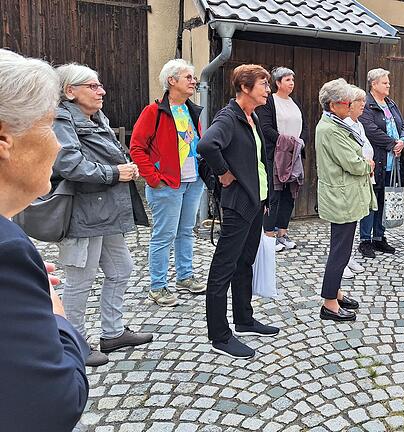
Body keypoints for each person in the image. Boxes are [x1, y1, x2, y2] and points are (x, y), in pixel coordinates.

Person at [0, 48, 89, 431]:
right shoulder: (8, 251)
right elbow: (54, 404)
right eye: (49, 124)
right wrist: (50, 307)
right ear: (4, 140)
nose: (56, 144)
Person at [52, 63, 154, 367]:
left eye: (99, 85)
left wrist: (123, 167)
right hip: (83, 213)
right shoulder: (61, 119)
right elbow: (68, 165)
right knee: (80, 281)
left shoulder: (95, 116)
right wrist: (115, 173)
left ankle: (112, 332)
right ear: (70, 91)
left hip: (106, 211)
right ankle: (74, 342)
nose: (101, 91)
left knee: (122, 268)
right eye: (92, 86)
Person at [197, 64, 279, 359]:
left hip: (256, 202)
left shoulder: (252, 116)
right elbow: (207, 145)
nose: (268, 90)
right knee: (223, 268)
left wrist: (264, 194)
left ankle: (244, 320)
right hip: (237, 205)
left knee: (245, 262)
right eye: (263, 85)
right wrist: (223, 173)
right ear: (245, 88)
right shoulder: (229, 117)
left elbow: (256, 159)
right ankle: (219, 335)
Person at [130, 59, 205, 307]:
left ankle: (184, 276)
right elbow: (137, 148)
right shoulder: (154, 111)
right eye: (188, 77)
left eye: (193, 77)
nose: (193, 81)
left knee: (186, 231)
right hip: (167, 184)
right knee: (164, 235)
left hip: (192, 182)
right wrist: (153, 178)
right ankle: (158, 286)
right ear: (172, 81)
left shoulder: (191, 110)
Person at [315, 79, 376, 321]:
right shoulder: (330, 129)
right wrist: (367, 164)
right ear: (333, 105)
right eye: (346, 102)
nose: (350, 105)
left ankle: (335, 292)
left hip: (345, 194)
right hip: (341, 197)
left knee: (342, 249)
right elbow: (352, 162)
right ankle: (329, 303)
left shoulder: (336, 124)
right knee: (339, 252)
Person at [256, 66, 309, 252]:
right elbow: (266, 127)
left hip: (294, 156)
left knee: (289, 195)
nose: (291, 83)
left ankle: (282, 233)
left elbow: (304, 126)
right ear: (277, 83)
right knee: (274, 195)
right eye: (287, 80)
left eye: (292, 80)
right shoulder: (270, 102)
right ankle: (269, 234)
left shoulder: (294, 103)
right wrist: (285, 142)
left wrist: (299, 143)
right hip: (275, 156)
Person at [358, 68, 404, 258]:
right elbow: (370, 130)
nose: (388, 85)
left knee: (386, 199)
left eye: (388, 82)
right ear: (374, 84)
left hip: (393, 162)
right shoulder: (367, 105)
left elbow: (403, 125)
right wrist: (392, 144)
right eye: (385, 82)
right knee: (371, 202)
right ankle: (365, 240)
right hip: (377, 160)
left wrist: (403, 140)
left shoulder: (391, 103)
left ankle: (379, 237)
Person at [342, 85, 374, 279]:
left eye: (363, 101)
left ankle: (348, 255)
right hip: (353, 177)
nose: (363, 104)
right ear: (349, 104)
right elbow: (350, 154)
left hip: (364, 175)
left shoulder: (358, 124)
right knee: (346, 221)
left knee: (355, 220)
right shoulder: (345, 124)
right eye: (359, 101)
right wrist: (366, 163)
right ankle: (341, 261)